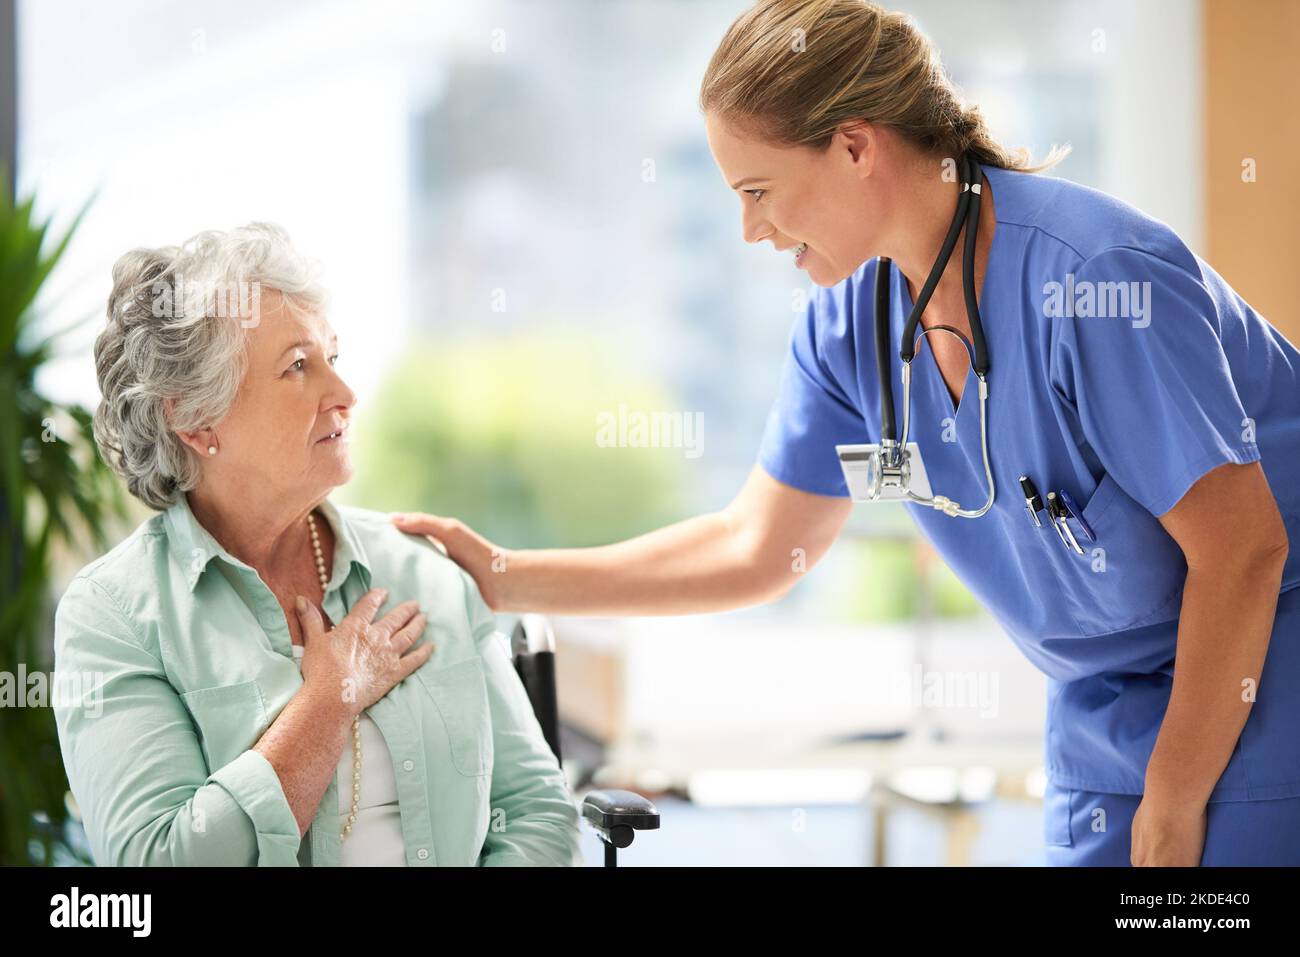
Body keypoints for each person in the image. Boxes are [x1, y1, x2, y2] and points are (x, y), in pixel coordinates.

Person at [392, 0, 1300, 865]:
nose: (750, 230)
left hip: (1261, 667)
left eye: (759, 190)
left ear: (855, 145)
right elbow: (756, 547)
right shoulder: (848, 328)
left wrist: (1177, 794)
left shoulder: (1095, 282)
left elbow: (1245, 551)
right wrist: (504, 577)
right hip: (1102, 713)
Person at [53, 223, 583, 867]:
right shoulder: (114, 614)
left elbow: (537, 813)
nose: (345, 395)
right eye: (298, 366)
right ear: (194, 420)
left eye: (334, 356)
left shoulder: (422, 570)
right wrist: (330, 699)